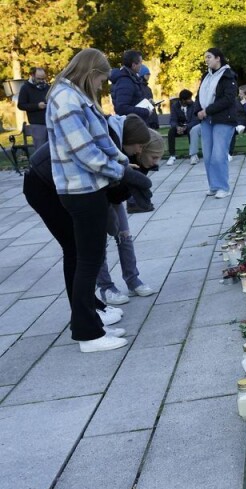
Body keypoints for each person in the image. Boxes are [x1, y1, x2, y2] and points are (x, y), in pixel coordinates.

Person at [46, 48, 131, 352]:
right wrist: (120, 173)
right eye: (100, 81)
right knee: (88, 262)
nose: (100, 87)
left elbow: (102, 140)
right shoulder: (66, 99)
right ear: (90, 72)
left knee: (89, 260)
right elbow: (85, 152)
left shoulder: (76, 97)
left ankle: (90, 323)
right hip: (81, 191)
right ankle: (87, 334)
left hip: (89, 188)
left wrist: (123, 164)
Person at [97, 116, 158, 304]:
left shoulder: (130, 154)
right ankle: (106, 287)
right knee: (98, 243)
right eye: (139, 146)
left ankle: (132, 279)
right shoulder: (111, 140)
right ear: (129, 142)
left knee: (124, 235)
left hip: (112, 195)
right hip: (96, 194)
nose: (140, 149)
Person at [196, 47, 238, 199]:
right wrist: (198, 112)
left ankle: (223, 187)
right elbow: (198, 96)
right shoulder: (206, 77)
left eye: (209, 57)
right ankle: (213, 186)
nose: (206, 60)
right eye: (205, 57)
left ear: (218, 58)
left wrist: (208, 111)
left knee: (218, 155)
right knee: (207, 155)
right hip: (206, 120)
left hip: (223, 119)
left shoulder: (228, 76)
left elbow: (228, 99)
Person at [109, 50, 155, 128]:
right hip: (131, 126)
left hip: (135, 123)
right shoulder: (125, 81)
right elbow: (122, 108)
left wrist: (147, 103)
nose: (141, 65)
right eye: (140, 62)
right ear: (134, 65)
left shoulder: (130, 78)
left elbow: (133, 100)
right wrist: (145, 111)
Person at [17, 67, 49, 147]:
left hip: (50, 122)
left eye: (43, 78)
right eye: (39, 79)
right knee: (41, 149)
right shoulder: (25, 88)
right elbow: (21, 105)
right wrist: (37, 106)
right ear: (32, 75)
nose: (41, 81)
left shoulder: (47, 87)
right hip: (37, 124)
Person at [166, 89, 199, 166]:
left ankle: (193, 155)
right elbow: (172, 120)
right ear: (183, 100)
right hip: (179, 128)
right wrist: (177, 127)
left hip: (189, 127)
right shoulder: (175, 106)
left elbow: (195, 120)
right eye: (189, 99)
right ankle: (172, 156)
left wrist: (186, 127)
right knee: (171, 131)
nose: (191, 100)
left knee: (192, 130)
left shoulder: (193, 105)